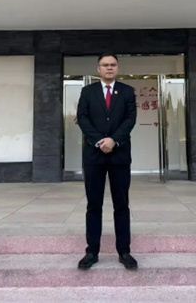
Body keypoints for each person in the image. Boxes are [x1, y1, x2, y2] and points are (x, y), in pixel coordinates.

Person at [76, 53, 138, 270]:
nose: (109, 68)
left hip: (119, 155)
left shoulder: (127, 91)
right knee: (94, 205)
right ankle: (92, 252)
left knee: (121, 205)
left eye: (112, 65)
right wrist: (99, 141)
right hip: (94, 156)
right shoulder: (88, 91)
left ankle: (124, 251)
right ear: (98, 69)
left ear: (117, 68)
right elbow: (82, 118)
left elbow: (130, 119)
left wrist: (114, 140)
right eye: (105, 65)